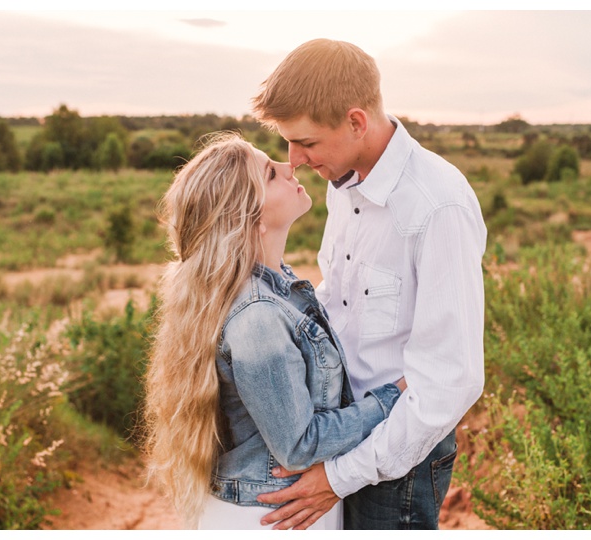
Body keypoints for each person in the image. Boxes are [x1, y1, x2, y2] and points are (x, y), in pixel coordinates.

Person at [250, 38, 487, 530]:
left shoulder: (437, 207)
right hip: (337, 435)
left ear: (356, 121)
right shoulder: (344, 186)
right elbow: (341, 302)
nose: (293, 160)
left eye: (307, 143)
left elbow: (450, 382)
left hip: (397, 462)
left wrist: (339, 476)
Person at [142, 132, 406, 530]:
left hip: (280, 513)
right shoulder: (258, 316)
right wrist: (393, 397)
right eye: (269, 173)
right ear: (250, 218)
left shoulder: (274, 284)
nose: (289, 166)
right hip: (270, 519)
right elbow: (298, 446)